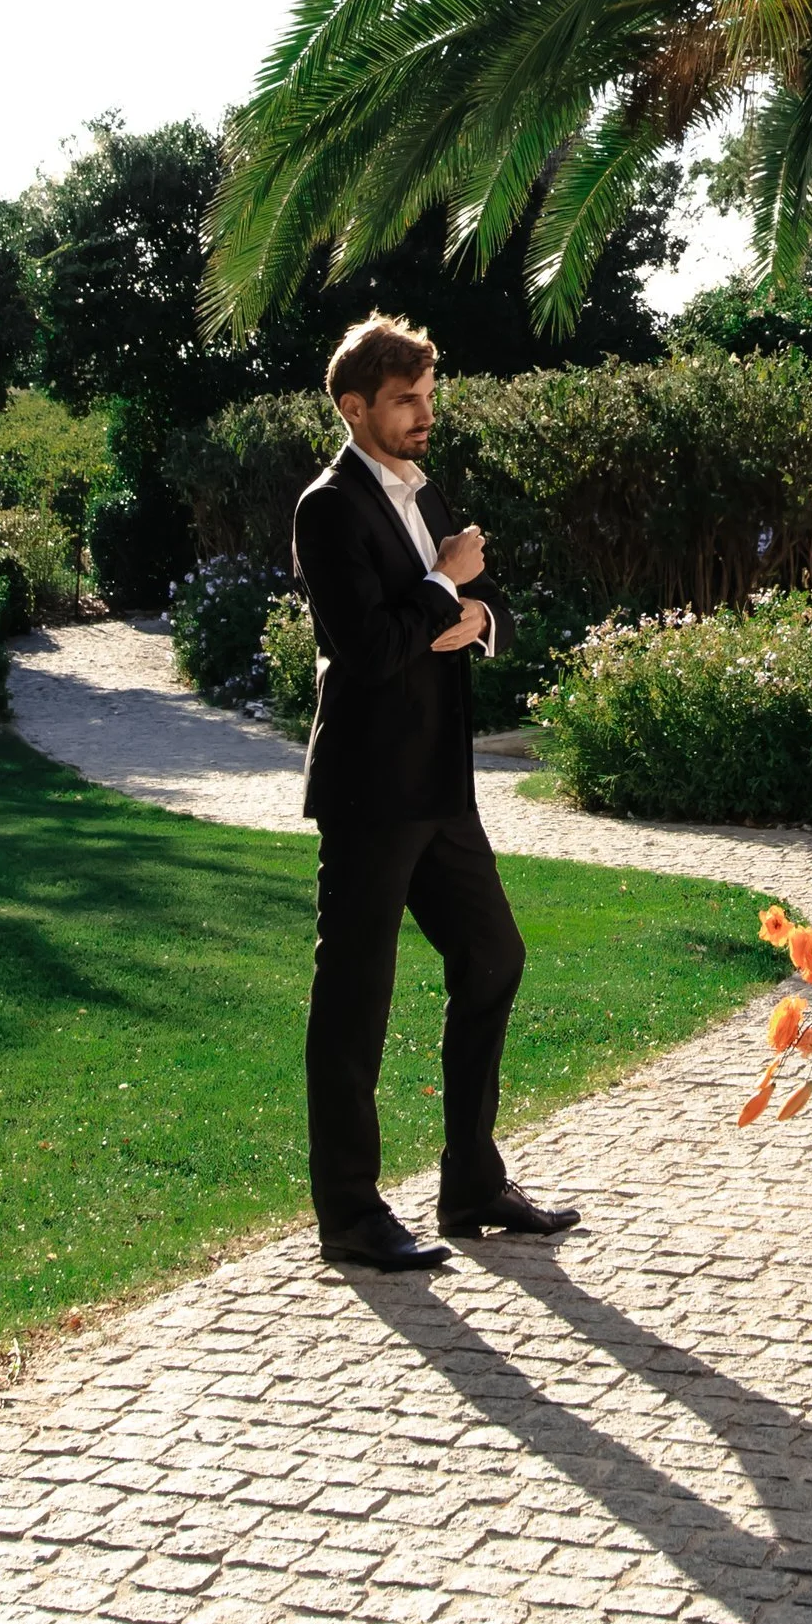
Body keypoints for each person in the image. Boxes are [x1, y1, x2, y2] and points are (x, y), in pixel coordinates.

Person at [293, 313, 580, 1272]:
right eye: (406, 400)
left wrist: (478, 614)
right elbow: (365, 648)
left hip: (443, 790)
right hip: (371, 791)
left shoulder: (423, 489)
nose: (424, 415)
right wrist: (440, 587)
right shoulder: (327, 508)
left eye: (427, 396)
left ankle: (471, 1181)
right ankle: (350, 1215)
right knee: (354, 1001)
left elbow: (469, 606)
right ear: (355, 407)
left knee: (494, 958)